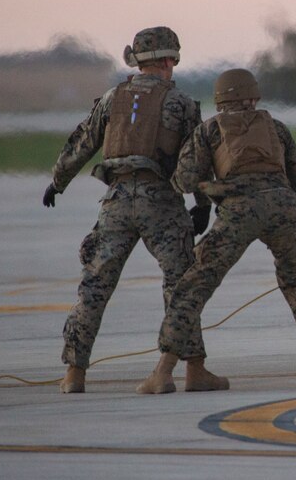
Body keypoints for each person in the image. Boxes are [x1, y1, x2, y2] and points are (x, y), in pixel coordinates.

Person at [41, 26, 215, 394]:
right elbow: (196, 161)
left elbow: (82, 143)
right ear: (168, 60)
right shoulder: (181, 103)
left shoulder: (111, 98)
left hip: (117, 201)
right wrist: (202, 205)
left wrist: (57, 182)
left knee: (95, 286)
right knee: (181, 285)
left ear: (138, 62)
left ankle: (74, 373)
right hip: (162, 202)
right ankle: (194, 369)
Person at [137, 68, 296, 393]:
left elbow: (184, 182)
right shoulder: (276, 128)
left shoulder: (209, 130)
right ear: (254, 97)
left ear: (220, 100)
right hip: (283, 204)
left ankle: (164, 371)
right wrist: (288, 212)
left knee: (194, 286)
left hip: (239, 210)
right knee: (295, 276)